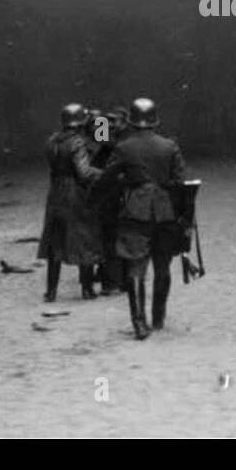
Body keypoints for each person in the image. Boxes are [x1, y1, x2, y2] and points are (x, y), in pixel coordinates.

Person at [99, 98, 187, 339]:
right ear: (155, 121)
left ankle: (139, 323)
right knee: (163, 267)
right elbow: (180, 182)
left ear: (131, 121)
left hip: (135, 211)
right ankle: (158, 318)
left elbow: (108, 177)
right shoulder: (170, 146)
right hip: (164, 212)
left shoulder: (123, 147)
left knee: (136, 267)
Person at [38, 103, 103, 301]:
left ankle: (51, 291)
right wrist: (105, 174)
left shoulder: (52, 140)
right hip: (75, 192)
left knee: (55, 241)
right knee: (85, 236)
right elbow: (84, 171)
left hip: (56, 191)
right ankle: (87, 289)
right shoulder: (78, 142)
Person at [90, 105, 129, 295]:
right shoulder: (107, 134)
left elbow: (106, 148)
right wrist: (100, 127)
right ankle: (115, 278)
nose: (111, 124)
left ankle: (113, 280)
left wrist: (102, 128)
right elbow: (99, 148)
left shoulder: (122, 139)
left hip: (115, 191)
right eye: (109, 121)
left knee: (112, 238)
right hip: (113, 192)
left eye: (115, 121)